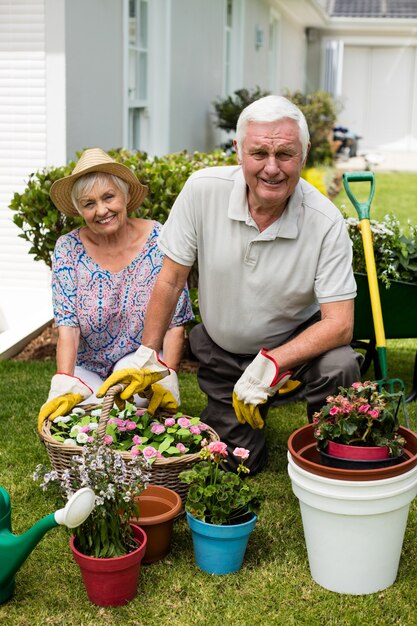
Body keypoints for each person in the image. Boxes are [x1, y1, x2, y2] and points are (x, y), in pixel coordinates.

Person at [98, 96, 362, 473]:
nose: (272, 168)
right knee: (237, 465)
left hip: (295, 351)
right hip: (226, 355)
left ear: (304, 155)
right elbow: (171, 280)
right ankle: (245, 417)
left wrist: (274, 362)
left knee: (339, 365)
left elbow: (340, 323)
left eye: (285, 154)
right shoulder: (202, 190)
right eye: (259, 153)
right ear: (239, 152)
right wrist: (148, 354)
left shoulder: (325, 221)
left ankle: (330, 456)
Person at [37, 148, 193, 432]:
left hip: (138, 361)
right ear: (79, 209)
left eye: (108, 197)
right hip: (88, 363)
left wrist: (167, 378)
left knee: (128, 410)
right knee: (78, 419)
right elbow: (67, 327)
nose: (101, 211)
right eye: (89, 203)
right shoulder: (68, 249)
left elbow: (175, 323)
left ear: (124, 196)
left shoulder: (158, 238)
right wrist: (63, 380)